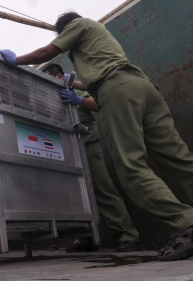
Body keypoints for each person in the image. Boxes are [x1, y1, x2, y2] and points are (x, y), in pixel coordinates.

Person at [0, 11, 193, 261]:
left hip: (117, 91)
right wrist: (70, 86)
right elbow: (92, 81)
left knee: (131, 166)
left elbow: (48, 52)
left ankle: (188, 227)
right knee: (182, 160)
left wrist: (15, 60)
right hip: (143, 89)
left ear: (66, 29)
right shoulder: (101, 40)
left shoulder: (78, 25)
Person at [41, 63, 141, 253]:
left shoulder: (74, 88)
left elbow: (98, 104)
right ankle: (86, 238)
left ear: (59, 76)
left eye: (48, 77)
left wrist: (77, 100)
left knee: (102, 189)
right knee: (76, 196)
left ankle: (128, 236)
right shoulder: (47, 96)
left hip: (86, 144)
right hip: (65, 149)